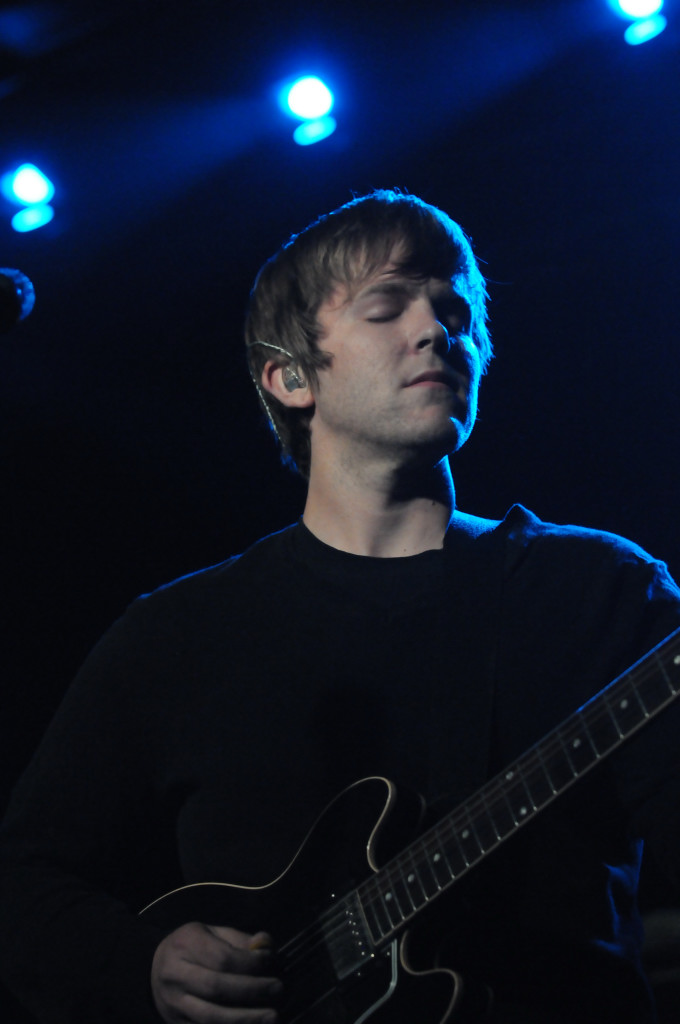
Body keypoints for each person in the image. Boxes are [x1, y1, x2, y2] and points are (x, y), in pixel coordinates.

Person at [1, 189, 679, 1024]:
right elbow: (23, 885)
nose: (436, 330)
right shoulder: (174, 637)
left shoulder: (599, 589)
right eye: (386, 308)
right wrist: (146, 966)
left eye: (455, 311)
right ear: (289, 377)